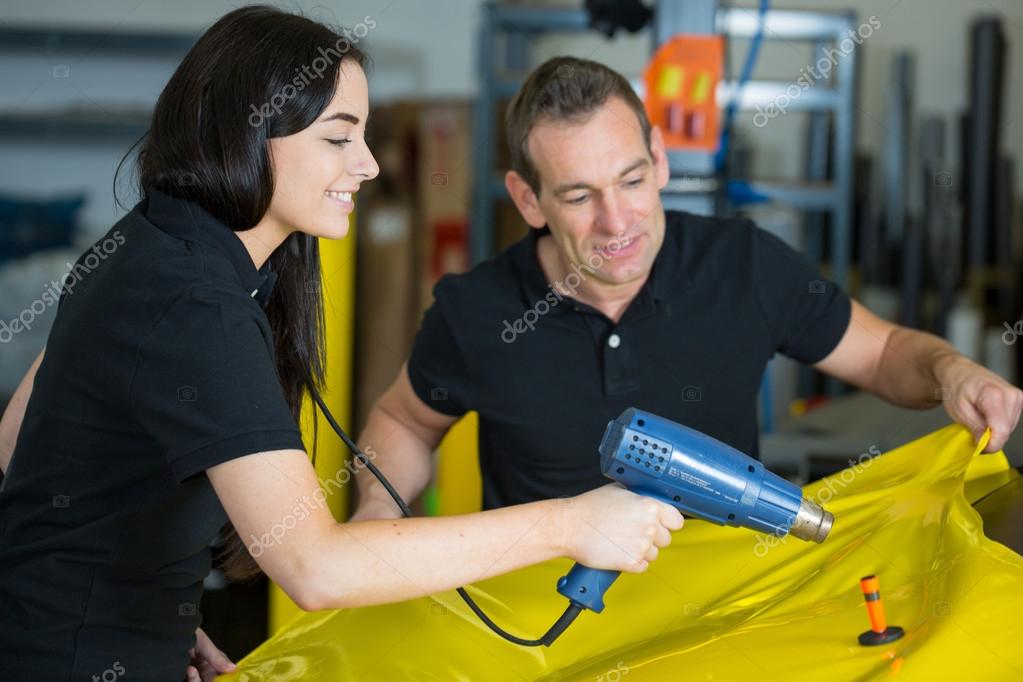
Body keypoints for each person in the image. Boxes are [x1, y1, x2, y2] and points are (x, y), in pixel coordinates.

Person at [0, 12, 683, 681]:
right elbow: (315, 568)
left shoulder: (149, 239)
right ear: (247, 136)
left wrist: (146, 615)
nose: (368, 165)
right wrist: (573, 523)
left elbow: (19, 441)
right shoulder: (196, 305)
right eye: (337, 138)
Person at [352, 56, 1023, 520]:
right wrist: (379, 507)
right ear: (529, 200)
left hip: (717, 614)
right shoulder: (477, 311)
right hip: (540, 634)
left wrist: (951, 371)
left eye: (632, 180)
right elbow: (405, 419)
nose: (617, 222)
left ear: (660, 160)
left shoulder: (743, 264)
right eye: (580, 195)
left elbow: (879, 356)